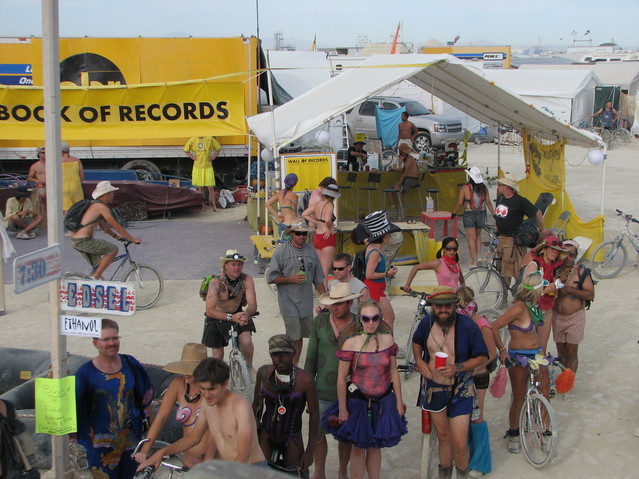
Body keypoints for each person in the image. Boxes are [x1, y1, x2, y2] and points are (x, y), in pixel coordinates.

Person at [323, 299, 407, 479]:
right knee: (359, 447)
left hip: (383, 400)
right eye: (366, 318)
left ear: (380, 318)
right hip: (358, 401)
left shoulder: (388, 340)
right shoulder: (350, 343)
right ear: (359, 319)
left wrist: (399, 402)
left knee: (376, 446)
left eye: (375, 318)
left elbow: (393, 372)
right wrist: (343, 409)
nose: (371, 323)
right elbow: (340, 379)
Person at [138, 358, 266, 471]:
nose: (207, 395)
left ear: (225, 383)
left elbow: (245, 452)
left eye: (211, 389)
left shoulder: (240, 406)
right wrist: (162, 452)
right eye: (203, 389)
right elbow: (194, 438)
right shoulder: (207, 403)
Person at [411, 292, 489, 479]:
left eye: (448, 306)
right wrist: (419, 361)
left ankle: (462, 475)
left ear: (455, 306)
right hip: (434, 388)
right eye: (439, 306)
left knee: (460, 442)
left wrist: (458, 367)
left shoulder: (467, 325)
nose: (444, 310)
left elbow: (482, 356)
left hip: (461, 388)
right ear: (433, 307)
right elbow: (416, 342)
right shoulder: (426, 324)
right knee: (444, 438)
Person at [75, 319, 154, 479]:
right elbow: (69, 403)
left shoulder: (130, 364)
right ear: (95, 343)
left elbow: (147, 402)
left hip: (132, 444)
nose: (112, 343)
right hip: (99, 450)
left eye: (115, 338)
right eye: (106, 339)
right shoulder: (85, 373)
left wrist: (149, 440)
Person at [304, 282, 361, 479]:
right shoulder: (319, 322)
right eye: (333, 304)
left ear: (349, 304)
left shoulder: (360, 325)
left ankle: (342, 471)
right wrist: (306, 390)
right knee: (318, 433)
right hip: (321, 388)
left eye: (340, 304)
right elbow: (311, 357)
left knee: (344, 434)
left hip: (351, 390)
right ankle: (319, 471)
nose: (335, 307)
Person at [491, 272, 549, 454]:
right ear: (536, 288)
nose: (545, 289)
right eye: (542, 286)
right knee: (519, 396)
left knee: (545, 392)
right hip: (519, 357)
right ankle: (514, 433)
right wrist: (502, 350)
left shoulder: (535, 306)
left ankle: (547, 432)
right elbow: (494, 326)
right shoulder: (519, 308)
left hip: (537, 355)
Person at [134, 343, 214, 468]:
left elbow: (195, 437)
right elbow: (161, 418)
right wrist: (146, 448)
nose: (186, 374)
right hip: (188, 461)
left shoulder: (212, 391)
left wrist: (163, 452)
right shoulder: (178, 384)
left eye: (190, 370)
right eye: (185, 369)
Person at [253, 334, 319, 477]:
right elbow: (256, 407)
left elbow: (314, 415)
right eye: (276, 354)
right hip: (266, 434)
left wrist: (309, 451)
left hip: (292, 436)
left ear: (293, 353)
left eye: (285, 354)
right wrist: (252, 439)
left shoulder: (305, 380)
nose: (281, 358)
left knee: (296, 473)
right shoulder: (263, 373)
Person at [268, 222, 326, 364]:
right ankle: (292, 367)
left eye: (304, 233)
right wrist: (290, 279)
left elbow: (318, 279)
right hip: (288, 302)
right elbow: (272, 278)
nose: (302, 236)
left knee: (301, 336)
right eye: (298, 233)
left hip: (306, 302)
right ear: (292, 234)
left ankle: (295, 366)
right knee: (294, 336)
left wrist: (326, 300)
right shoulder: (281, 251)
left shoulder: (311, 251)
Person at [456, 286, 496, 478]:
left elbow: (491, 354)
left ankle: (481, 461)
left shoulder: (481, 324)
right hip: (462, 375)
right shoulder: (459, 323)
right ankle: (468, 455)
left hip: (478, 377)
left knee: (477, 417)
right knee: (463, 418)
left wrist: (472, 366)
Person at [70, 181, 142, 280]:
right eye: (112, 193)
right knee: (113, 250)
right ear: (107, 194)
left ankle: (95, 281)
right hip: (84, 241)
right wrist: (132, 239)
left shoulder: (93, 205)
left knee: (99, 266)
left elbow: (102, 225)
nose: (113, 196)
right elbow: (116, 225)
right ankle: (96, 277)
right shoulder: (101, 207)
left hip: (78, 240)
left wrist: (115, 236)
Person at [203, 249, 258, 367]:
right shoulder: (215, 282)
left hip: (237, 314)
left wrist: (247, 314)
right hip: (217, 316)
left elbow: (252, 304)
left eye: (239, 264)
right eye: (233, 264)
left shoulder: (247, 280)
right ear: (226, 265)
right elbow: (209, 310)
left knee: (246, 341)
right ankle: (219, 379)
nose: (237, 268)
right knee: (218, 355)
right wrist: (231, 317)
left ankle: (249, 369)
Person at [553, 239, 595, 390]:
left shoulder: (582, 272)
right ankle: (564, 378)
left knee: (572, 352)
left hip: (575, 317)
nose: (568, 257)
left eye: (571, 255)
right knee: (561, 352)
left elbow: (590, 295)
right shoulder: (554, 270)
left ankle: (568, 384)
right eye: (565, 254)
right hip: (557, 317)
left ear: (576, 256)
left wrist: (570, 290)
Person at [494, 173, 543, 289]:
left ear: (506, 187)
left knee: (516, 270)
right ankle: (504, 294)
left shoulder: (520, 201)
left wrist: (541, 231)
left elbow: (538, 213)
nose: (498, 187)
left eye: (500, 185)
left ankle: (518, 295)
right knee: (504, 270)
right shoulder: (501, 199)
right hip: (502, 238)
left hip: (514, 241)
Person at [522, 235, 569, 352]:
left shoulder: (554, 266)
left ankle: (540, 369)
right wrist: (546, 290)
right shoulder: (534, 266)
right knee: (529, 344)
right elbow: (525, 292)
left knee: (542, 345)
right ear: (545, 249)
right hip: (532, 310)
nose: (555, 252)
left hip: (547, 309)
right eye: (552, 249)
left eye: (557, 250)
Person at [362, 211, 399, 329]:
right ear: (382, 236)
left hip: (375, 288)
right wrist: (388, 273)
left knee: (380, 318)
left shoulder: (372, 247)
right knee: (389, 317)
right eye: (388, 234)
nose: (390, 236)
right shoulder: (375, 252)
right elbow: (369, 274)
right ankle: (388, 344)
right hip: (374, 289)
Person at [452, 167, 496, 266]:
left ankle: (473, 261)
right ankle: (478, 256)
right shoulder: (483, 188)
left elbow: (459, 203)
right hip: (481, 213)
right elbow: (488, 202)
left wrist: (454, 212)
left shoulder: (465, 188)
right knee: (478, 236)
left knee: (471, 238)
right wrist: (493, 214)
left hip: (469, 213)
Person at [303, 183, 340, 288]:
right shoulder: (329, 205)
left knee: (319, 267)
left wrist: (316, 221)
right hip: (327, 237)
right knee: (325, 268)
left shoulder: (318, 204)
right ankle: (324, 293)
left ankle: (318, 290)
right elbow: (328, 219)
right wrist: (328, 227)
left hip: (318, 235)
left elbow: (304, 214)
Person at [183, 136, 222, 211]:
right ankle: (202, 205)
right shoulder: (193, 139)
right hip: (198, 167)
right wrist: (192, 156)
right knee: (200, 187)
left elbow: (218, 148)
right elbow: (185, 149)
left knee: (210, 187)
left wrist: (213, 156)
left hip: (208, 167)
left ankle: (214, 206)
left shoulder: (209, 138)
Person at [266, 173, 299, 241]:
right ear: (295, 183)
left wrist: (277, 216)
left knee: (283, 247)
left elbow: (268, 204)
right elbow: (294, 213)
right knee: (292, 249)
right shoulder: (293, 196)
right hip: (291, 226)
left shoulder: (280, 193)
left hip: (282, 224)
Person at [388, 143, 419, 210]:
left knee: (399, 190)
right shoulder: (405, 159)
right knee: (390, 189)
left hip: (411, 179)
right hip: (407, 178)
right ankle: (393, 208)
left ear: (402, 151)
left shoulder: (410, 159)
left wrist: (398, 184)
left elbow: (405, 173)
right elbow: (403, 169)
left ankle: (401, 209)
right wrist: (395, 170)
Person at [61, 141, 85, 214]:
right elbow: (82, 176)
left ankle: (68, 223)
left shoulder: (57, 161)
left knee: (66, 208)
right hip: (76, 187)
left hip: (63, 187)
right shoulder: (77, 160)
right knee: (79, 207)